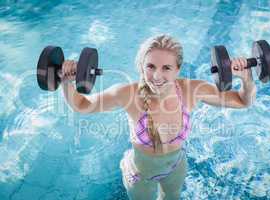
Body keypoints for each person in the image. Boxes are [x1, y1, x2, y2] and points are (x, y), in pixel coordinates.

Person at [59, 34, 256, 200]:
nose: (157, 75)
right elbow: (81, 105)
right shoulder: (127, 94)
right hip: (139, 175)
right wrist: (66, 82)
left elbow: (243, 101)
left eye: (166, 68)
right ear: (141, 66)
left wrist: (246, 79)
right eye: (150, 66)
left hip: (175, 167)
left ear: (178, 69)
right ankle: (125, 162)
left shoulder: (192, 90)